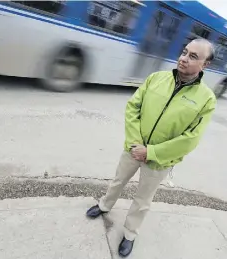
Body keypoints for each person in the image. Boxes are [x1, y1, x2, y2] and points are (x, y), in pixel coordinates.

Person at [86, 38, 217, 257]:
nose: (184, 58)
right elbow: (133, 107)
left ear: (206, 65)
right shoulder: (156, 78)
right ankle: (104, 205)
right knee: (118, 181)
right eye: (184, 52)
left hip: (161, 160)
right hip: (133, 147)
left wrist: (152, 152)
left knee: (143, 199)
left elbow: (191, 138)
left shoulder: (207, 99)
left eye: (193, 56)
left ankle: (129, 234)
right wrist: (136, 144)